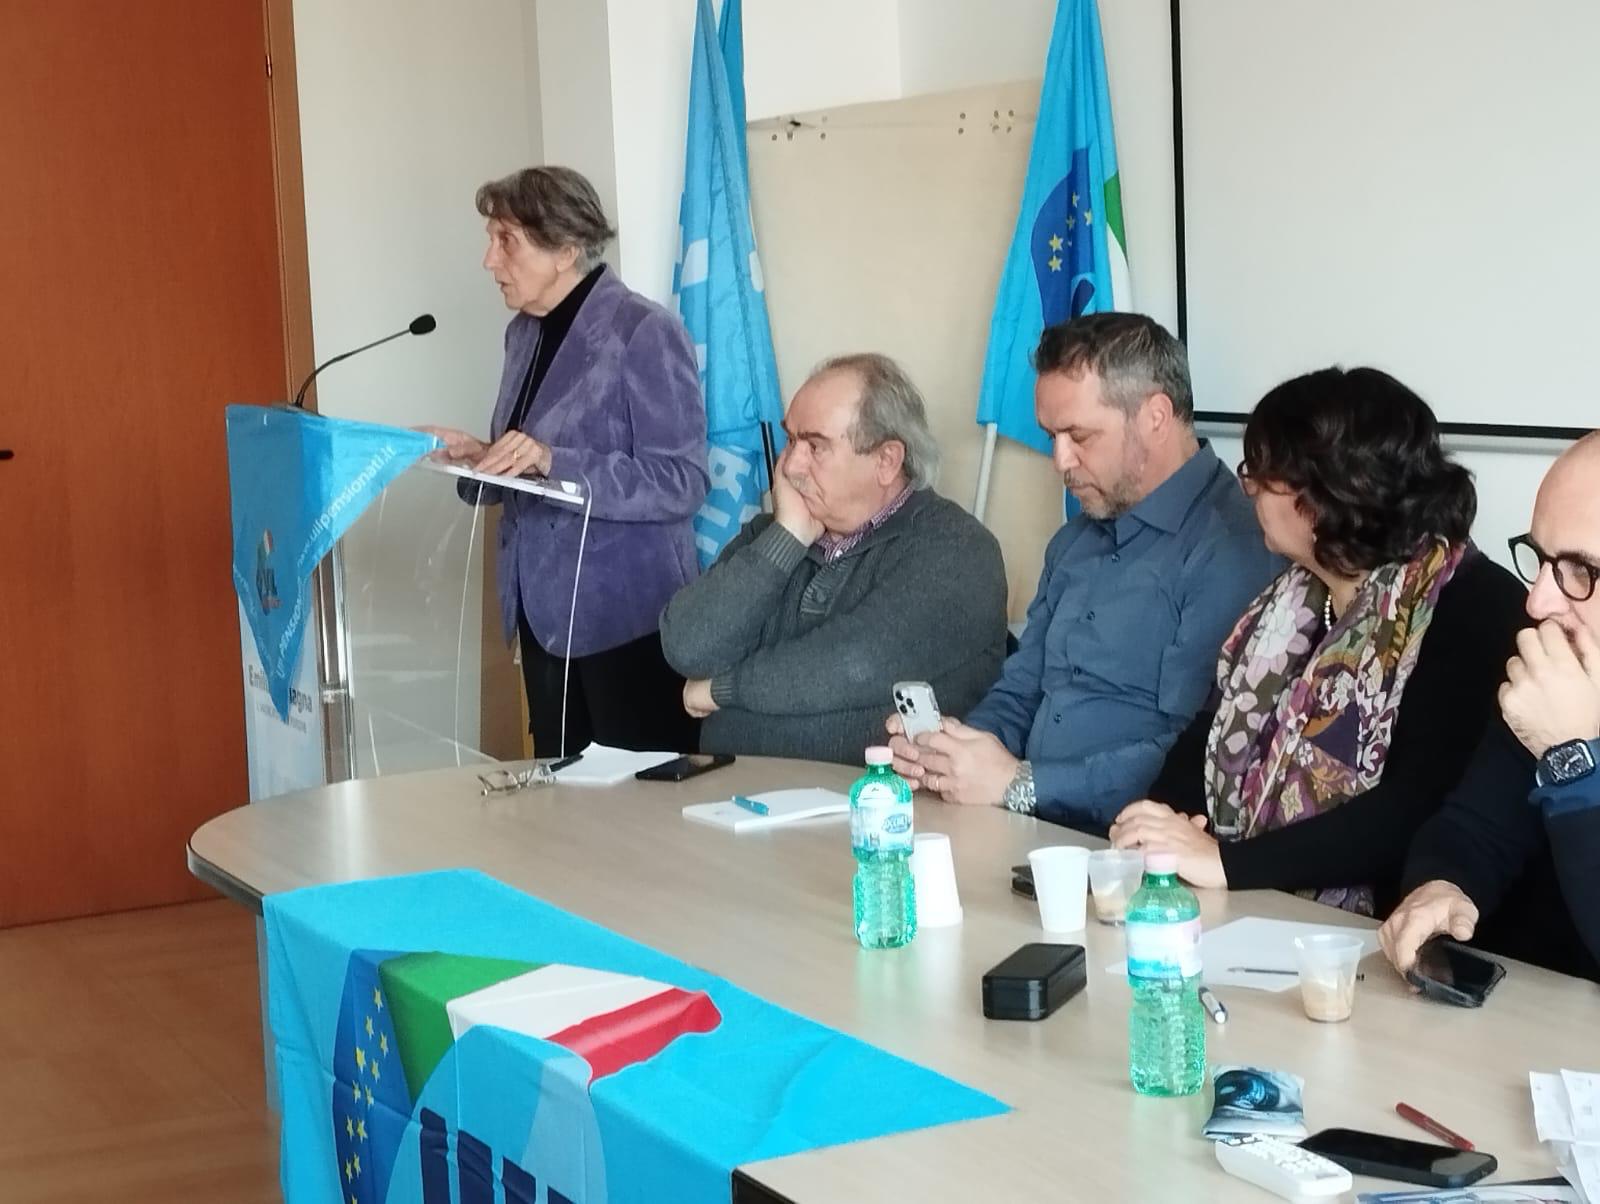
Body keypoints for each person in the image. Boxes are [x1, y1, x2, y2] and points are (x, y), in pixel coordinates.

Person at [1109, 368, 1528, 916]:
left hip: (1385, 925)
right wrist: (1162, 825)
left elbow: (1415, 811)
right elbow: (1206, 740)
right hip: (1250, 906)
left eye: (1261, 475)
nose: (1249, 490)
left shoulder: (1476, 605)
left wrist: (1227, 864)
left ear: (1326, 493)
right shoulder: (1288, 601)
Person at [888, 313, 1280, 831]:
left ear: (1156, 417)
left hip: (1132, 846)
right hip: (1023, 825)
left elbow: (1194, 753)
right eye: (1051, 436)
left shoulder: (1235, 548)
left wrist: (1021, 784)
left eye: (1079, 435)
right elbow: (1021, 693)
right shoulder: (1075, 541)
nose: (1060, 461)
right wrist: (952, 755)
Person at [424, 166, 707, 757]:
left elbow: (682, 481)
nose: (489, 260)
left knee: (637, 805)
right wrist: (480, 460)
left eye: (506, 240)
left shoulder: (644, 331)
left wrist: (554, 460)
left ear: (565, 249)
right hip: (543, 617)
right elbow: (530, 465)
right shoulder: (522, 335)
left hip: (628, 623)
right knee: (560, 799)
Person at [658, 354, 1007, 764]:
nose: (791, 465)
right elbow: (687, 648)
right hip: (725, 792)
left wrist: (721, 690)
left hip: (872, 800)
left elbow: (853, 665)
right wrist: (788, 537)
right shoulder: (772, 533)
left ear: (886, 461)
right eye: (791, 440)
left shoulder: (958, 548)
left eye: (815, 446)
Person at [1379, 432, 1600, 982]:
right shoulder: (1562, 664)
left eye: (1581, 570)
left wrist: (1573, 761)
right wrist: (1442, 886)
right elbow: (1473, 827)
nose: (1538, 601)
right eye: (1541, 560)